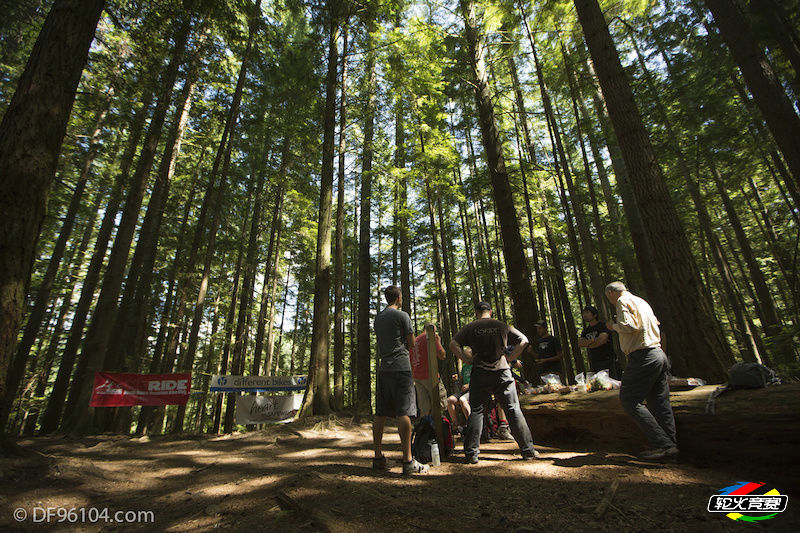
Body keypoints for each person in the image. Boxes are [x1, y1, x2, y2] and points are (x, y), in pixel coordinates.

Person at [449, 301, 538, 463]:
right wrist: (510, 358)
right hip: (502, 372)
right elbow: (524, 340)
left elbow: (453, 344)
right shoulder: (502, 325)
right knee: (512, 409)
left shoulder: (471, 327)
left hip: (480, 372)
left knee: (476, 410)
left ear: (477, 312)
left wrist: (466, 359)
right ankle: (528, 450)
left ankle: (471, 454)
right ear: (490, 311)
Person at [605, 281, 678, 461]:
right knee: (660, 402)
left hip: (643, 355)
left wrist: (612, 326)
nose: (611, 302)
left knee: (629, 399)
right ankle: (671, 448)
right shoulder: (642, 302)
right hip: (657, 353)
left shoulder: (623, 301)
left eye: (609, 298)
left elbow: (629, 326)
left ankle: (663, 444)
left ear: (611, 293)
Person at [373, 285, 428, 474]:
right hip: (401, 368)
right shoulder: (402, 316)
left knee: (380, 412)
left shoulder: (378, 318)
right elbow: (412, 343)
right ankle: (408, 461)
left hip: (383, 368)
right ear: (398, 298)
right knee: (404, 412)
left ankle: (378, 457)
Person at [412, 324, 447, 417]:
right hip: (430, 375)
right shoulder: (431, 337)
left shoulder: (415, 340)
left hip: (417, 376)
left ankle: (426, 428)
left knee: (424, 407)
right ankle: (436, 428)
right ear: (433, 330)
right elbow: (442, 355)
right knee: (440, 404)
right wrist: (438, 341)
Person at [578, 305, 618, 377]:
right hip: (595, 361)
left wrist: (589, 343)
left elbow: (602, 340)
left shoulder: (603, 326)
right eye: (583, 313)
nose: (585, 315)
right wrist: (594, 340)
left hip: (608, 359)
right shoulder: (585, 331)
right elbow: (581, 343)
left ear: (595, 315)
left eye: (587, 312)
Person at [446, 355, 472, 436]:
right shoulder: (464, 367)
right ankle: (456, 425)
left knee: (462, 400)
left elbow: (480, 380)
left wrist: (468, 385)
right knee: (450, 400)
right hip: (463, 392)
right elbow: (461, 383)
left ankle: (471, 425)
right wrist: (456, 380)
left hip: (473, 391)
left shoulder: (476, 366)